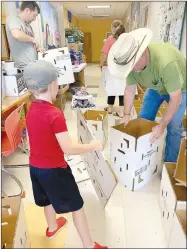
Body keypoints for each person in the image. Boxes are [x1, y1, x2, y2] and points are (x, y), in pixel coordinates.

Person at [23, 60, 108, 249]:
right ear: (53, 85)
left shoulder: (31, 109)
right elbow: (68, 148)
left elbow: (34, 139)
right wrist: (92, 146)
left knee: (46, 198)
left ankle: (52, 228)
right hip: (55, 171)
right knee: (76, 206)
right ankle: (89, 244)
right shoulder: (55, 114)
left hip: (35, 168)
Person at [108, 28, 186, 162]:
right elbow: (129, 90)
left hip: (179, 89)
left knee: (173, 126)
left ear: (142, 51)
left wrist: (161, 125)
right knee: (143, 119)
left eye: (134, 65)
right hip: (155, 87)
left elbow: (176, 98)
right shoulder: (131, 64)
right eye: (130, 67)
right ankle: (142, 157)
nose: (133, 70)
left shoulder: (167, 64)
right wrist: (126, 114)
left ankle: (170, 163)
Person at [100, 20, 126, 118]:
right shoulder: (127, 39)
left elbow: (104, 54)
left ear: (112, 28)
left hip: (111, 67)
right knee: (122, 89)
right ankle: (121, 111)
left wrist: (101, 64)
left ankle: (110, 108)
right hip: (123, 68)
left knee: (111, 86)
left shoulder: (110, 39)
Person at [6, 1, 41, 69]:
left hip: (33, 66)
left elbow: (29, 43)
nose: (34, 19)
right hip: (23, 68)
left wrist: (38, 48)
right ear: (27, 10)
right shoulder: (13, 18)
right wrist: (33, 39)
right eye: (34, 15)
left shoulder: (28, 26)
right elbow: (16, 35)